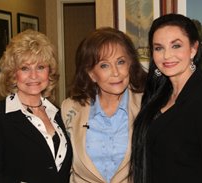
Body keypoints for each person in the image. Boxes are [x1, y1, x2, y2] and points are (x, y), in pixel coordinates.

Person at [129, 14, 202, 183]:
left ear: (193, 49)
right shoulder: (158, 94)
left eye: (176, 45)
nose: (167, 55)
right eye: (159, 48)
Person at [0, 29, 72, 183]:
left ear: (49, 72)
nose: (34, 76)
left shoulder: (59, 113)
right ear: (12, 73)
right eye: (25, 68)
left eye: (40, 67)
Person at [61, 27, 147, 183]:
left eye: (120, 62)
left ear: (130, 65)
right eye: (104, 65)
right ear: (91, 73)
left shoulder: (147, 105)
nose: (115, 73)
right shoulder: (69, 109)